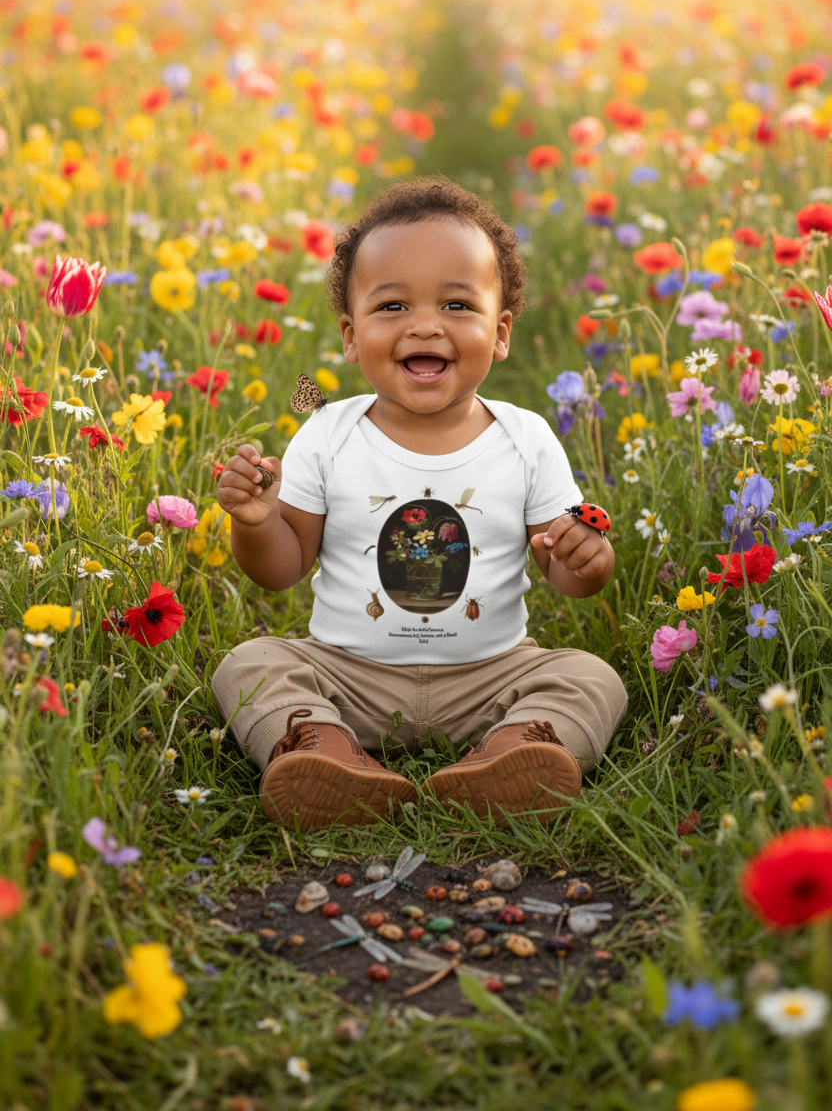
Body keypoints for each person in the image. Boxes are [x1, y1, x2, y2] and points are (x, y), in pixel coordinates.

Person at [213, 177, 627, 832]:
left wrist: (587, 557)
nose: (426, 325)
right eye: (393, 306)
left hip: (490, 678)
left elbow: (567, 573)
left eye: (458, 304)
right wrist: (257, 523)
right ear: (351, 335)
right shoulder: (327, 433)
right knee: (250, 665)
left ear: (501, 332)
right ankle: (325, 752)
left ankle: (513, 752)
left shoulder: (525, 438)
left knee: (592, 677)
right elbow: (281, 569)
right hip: (348, 676)